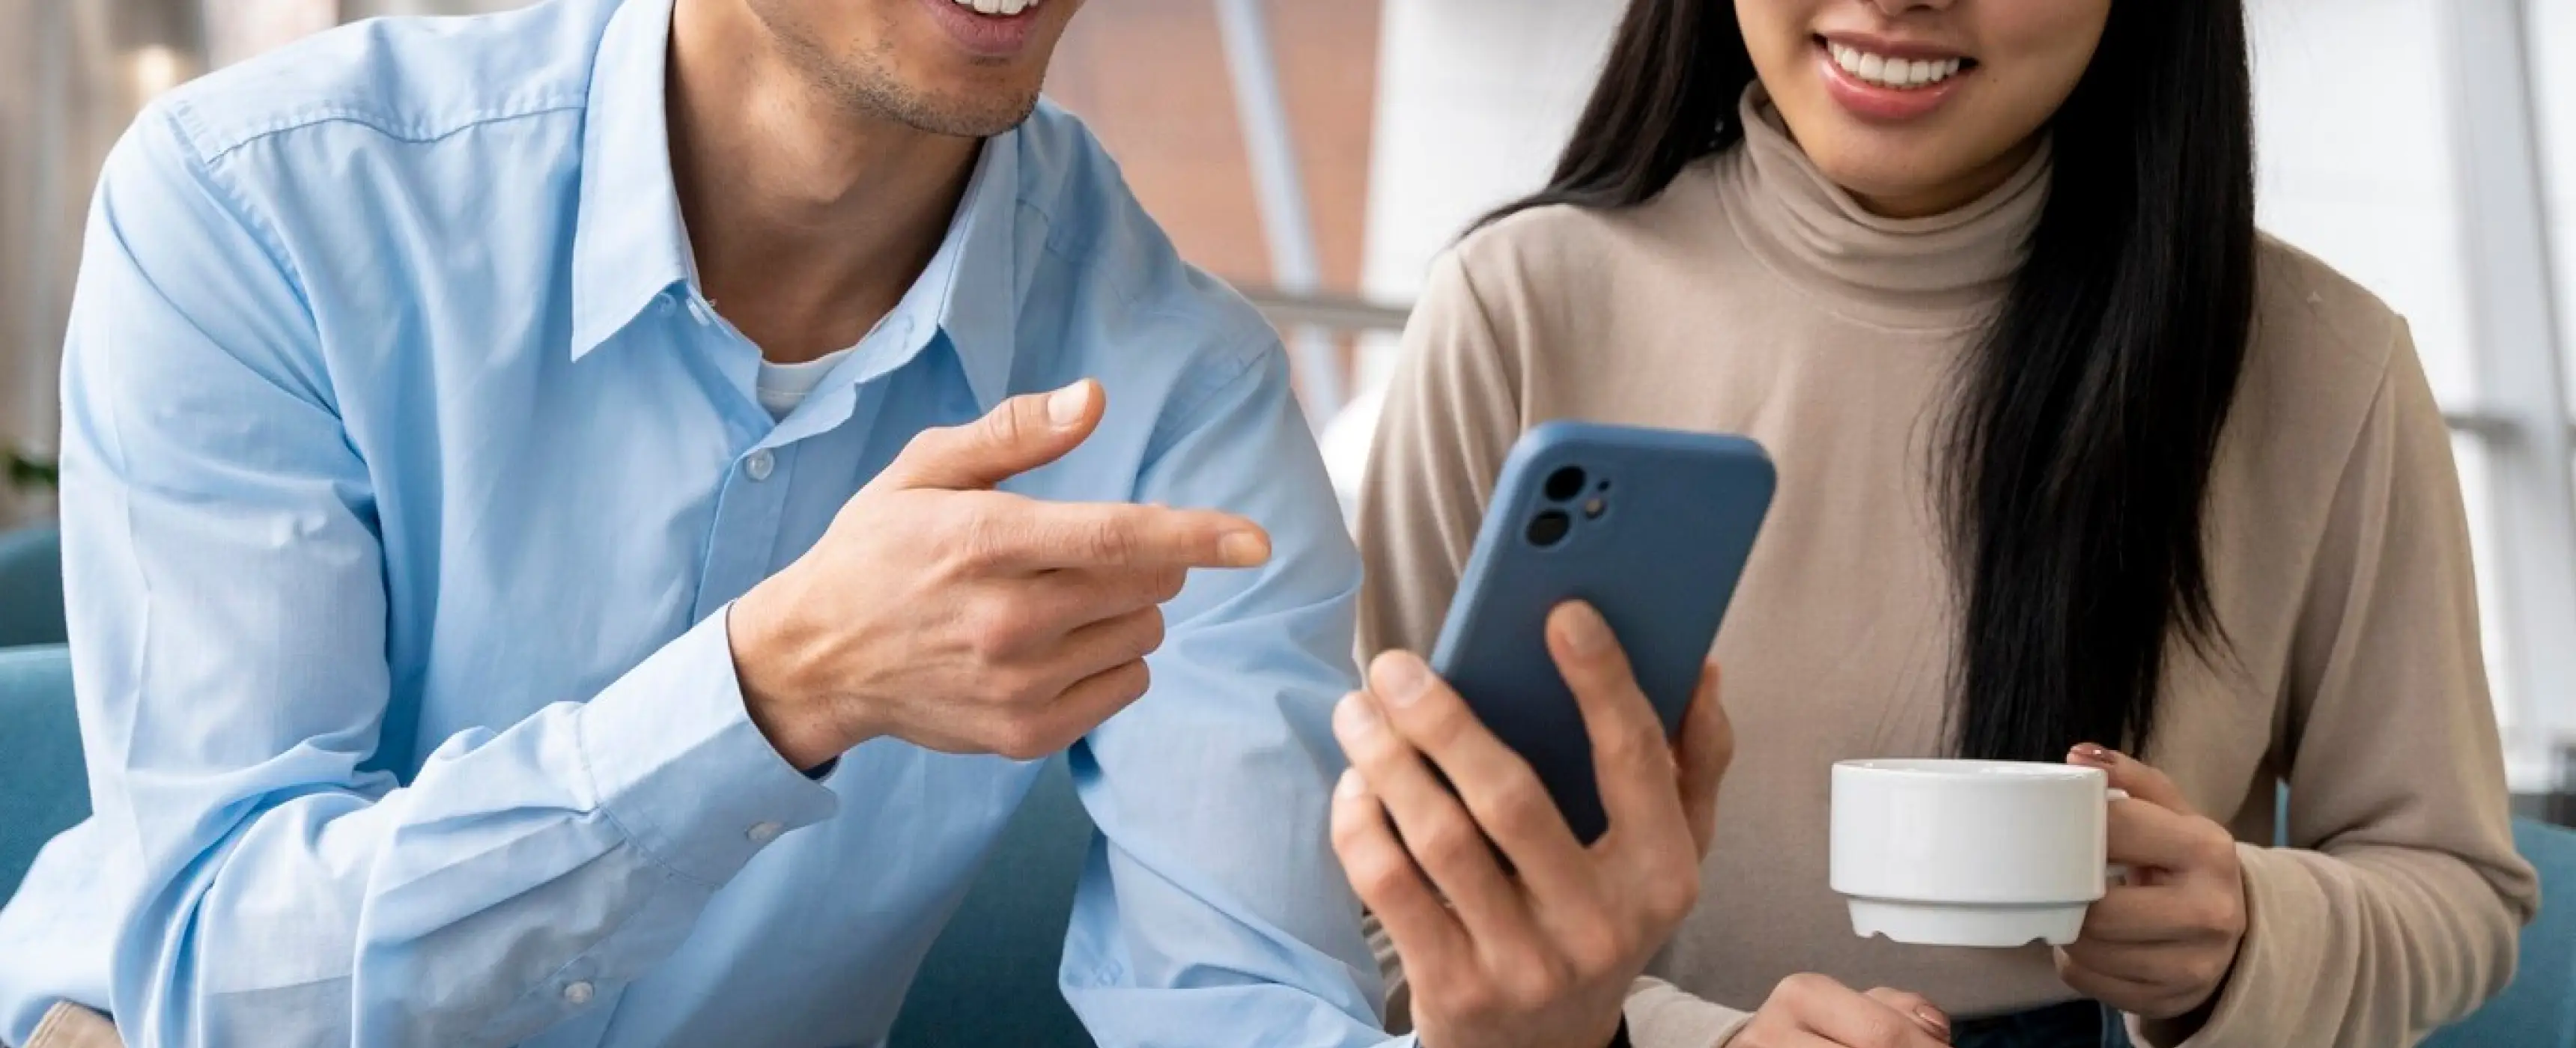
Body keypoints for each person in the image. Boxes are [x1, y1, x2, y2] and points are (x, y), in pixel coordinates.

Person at [0, 0, 1702, 1044]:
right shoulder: (266, 201)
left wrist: (1511, 1040)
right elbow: (220, 983)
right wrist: (762, 697)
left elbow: (1236, 1010)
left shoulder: (1176, 392)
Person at [1355, 0, 2541, 1046]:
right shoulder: (1518, 309)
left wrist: (2247, 937)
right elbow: (1370, 900)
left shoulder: (2324, 363)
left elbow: (2457, 892)